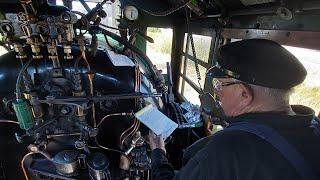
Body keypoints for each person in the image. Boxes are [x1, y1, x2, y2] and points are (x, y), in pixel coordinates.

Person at [148, 39, 320, 180]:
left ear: (244, 94)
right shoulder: (313, 126)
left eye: (219, 84)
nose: (216, 91)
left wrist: (158, 153)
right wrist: (227, 119)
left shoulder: (227, 149)